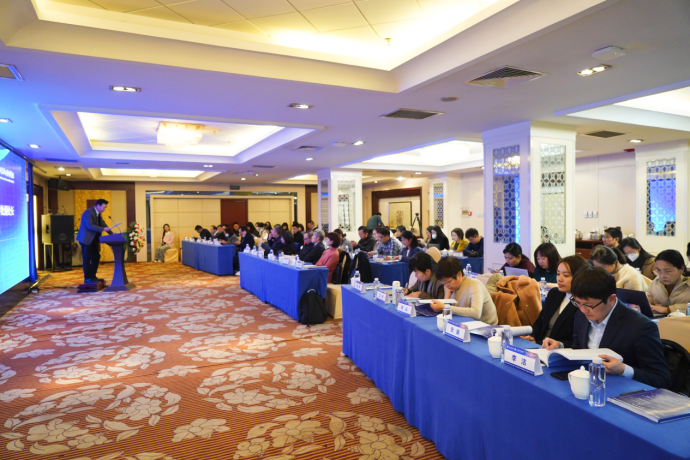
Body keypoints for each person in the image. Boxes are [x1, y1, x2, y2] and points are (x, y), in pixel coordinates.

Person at [542, 267, 671, 389]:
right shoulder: (582, 315)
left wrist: (623, 369)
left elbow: (662, 380)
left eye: (589, 305)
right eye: (578, 303)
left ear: (611, 299)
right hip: (588, 386)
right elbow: (580, 349)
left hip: (621, 392)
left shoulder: (640, 327)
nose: (583, 309)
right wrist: (561, 346)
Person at [522, 255, 589, 346]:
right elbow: (540, 321)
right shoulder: (554, 293)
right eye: (558, 274)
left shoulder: (584, 303)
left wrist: (559, 345)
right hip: (540, 346)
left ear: (579, 277)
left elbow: (576, 341)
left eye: (565, 275)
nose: (559, 279)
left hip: (558, 350)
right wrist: (533, 336)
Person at [431, 256, 498, 324]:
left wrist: (446, 307)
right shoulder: (450, 287)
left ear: (459, 274)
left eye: (448, 282)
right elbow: (447, 313)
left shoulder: (474, 285)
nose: (445, 285)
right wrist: (447, 297)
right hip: (465, 322)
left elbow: (476, 313)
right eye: (443, 282)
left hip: (486, 326)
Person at [76, 198, 113, 283]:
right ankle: (87, 278)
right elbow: (90, 226)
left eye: (105, 207)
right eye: (104, 207)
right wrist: (103, 229)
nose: (105, 209)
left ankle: (93, 276)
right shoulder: (88, 212)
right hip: (86, 239)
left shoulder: (98, 213)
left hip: (93, 239)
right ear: (98, 205)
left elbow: (103, 223)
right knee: (87, 258)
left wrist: (111, 233)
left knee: (96, 257)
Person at [646, 249, 690, 315]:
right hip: (657, 320)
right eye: (658, 270)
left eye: (667, 271)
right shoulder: (656, 282)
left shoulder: (688, 285)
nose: (662, 276)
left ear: (682, 269)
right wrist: (646, 304)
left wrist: (668, 309)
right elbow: (649, 299)